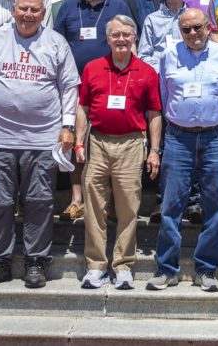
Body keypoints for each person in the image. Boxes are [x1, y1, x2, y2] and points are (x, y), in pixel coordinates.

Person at [0, 0, 80, 289]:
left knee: (39, 201)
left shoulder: (56, 42)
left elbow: (69, 85)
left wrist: (68, 125)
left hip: (42, 137)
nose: (28, 14)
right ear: (13, 10)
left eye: (34, 10)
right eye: (23, 9)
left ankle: (36, 260)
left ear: (43, 13)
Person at [148, 8, 218, 292]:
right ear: (180, 31)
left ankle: (207, 269)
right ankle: (166, 269)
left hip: (217, 138)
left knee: (215, 206)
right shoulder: (169, 56)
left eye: (198, 28)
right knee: (172, 206)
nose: (193, 34)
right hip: (178, 139)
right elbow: (164, 95)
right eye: (186, 30)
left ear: (208, 27)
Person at [74, 15, 163, 291]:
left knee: (128, 207)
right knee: (94, 207)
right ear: (108, 38)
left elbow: (154, 113)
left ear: (134, 37)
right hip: (98, 142)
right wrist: (79, 141)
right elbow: (83, 108)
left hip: (131, 144)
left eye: (126, 34)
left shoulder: (147, 72)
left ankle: (123, 265)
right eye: (116, 35)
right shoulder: (92, 68)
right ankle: (95, 266)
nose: (121, 39)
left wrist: (155, 150)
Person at [53, 0, 131, 221]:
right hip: (74, 84)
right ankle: (77, 200)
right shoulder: (67, 7)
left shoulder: (118, 6)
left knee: (106, 141)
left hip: (112, 82)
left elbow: (130, 40)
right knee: (77, 139)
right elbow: (57, 44)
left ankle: (105, 202)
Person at [138, 0, 189, 70]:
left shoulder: (195, 18)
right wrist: (161, 71)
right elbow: (143, 55)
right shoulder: (151, 20)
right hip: (159, 75)